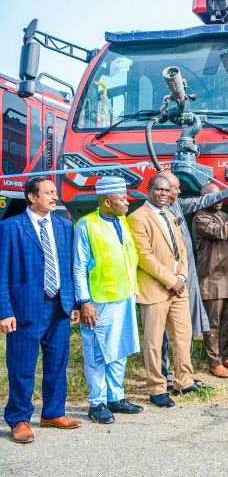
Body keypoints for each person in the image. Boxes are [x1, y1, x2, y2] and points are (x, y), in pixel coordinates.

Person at [0, 176, 81, 443]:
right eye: (48, 193)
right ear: (32, 197)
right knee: (22, 366)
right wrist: (4, 311)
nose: (55, 197)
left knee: (58, 364)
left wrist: (74, 303)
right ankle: (19, 419)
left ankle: (53, 413)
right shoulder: (10, 227)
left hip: (59, 306)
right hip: (24, 309)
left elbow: (69, 268)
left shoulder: (63, 225)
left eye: (55, 192)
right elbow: (2, 274)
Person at [156, 171, 228, 386]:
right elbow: (221, 231)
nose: (179, 192)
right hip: (171, 279)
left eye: (177, 188)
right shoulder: (158, 214)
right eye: (175, 188)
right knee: (168, 332)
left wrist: (227, 193)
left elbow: (200, 200)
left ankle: (181, 374)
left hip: (186, 277)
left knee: (183, 327)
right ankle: (165, 375)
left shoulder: (177, 205)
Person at [74, 176, 143, 425]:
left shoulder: (121, 221)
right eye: (122, 198)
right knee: (97, 353)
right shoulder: (86, 225)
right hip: (98, 301)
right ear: (106, 200)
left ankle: (116, 397)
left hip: (124, 296)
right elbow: (79, 267)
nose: (127, 202)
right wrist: (84, 301)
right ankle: (97, 402)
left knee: (120, 349)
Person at [129, 175, 200, 408]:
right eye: (158, 189)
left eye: (167, 190)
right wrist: (171, 280)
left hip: (178, 288)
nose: (163, 193)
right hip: (155, 289)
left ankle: (183, 381)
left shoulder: (170, 216)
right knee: (154, 341)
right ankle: (157, 388)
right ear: (148, 189)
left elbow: (181, 250)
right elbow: (144, 256)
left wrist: (181, 276)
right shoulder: (137, 218)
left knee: (182, 336)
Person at [192, 183, 228, 379]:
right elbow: (222, 233)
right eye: (213, 197)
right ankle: (214, 362)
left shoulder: (225, 216)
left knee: (227, 322)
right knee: (213, 324)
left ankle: (223, 355)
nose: (218, 201)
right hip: (212, 278)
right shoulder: (200, 218)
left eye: (220, 197)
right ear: (204, 199)